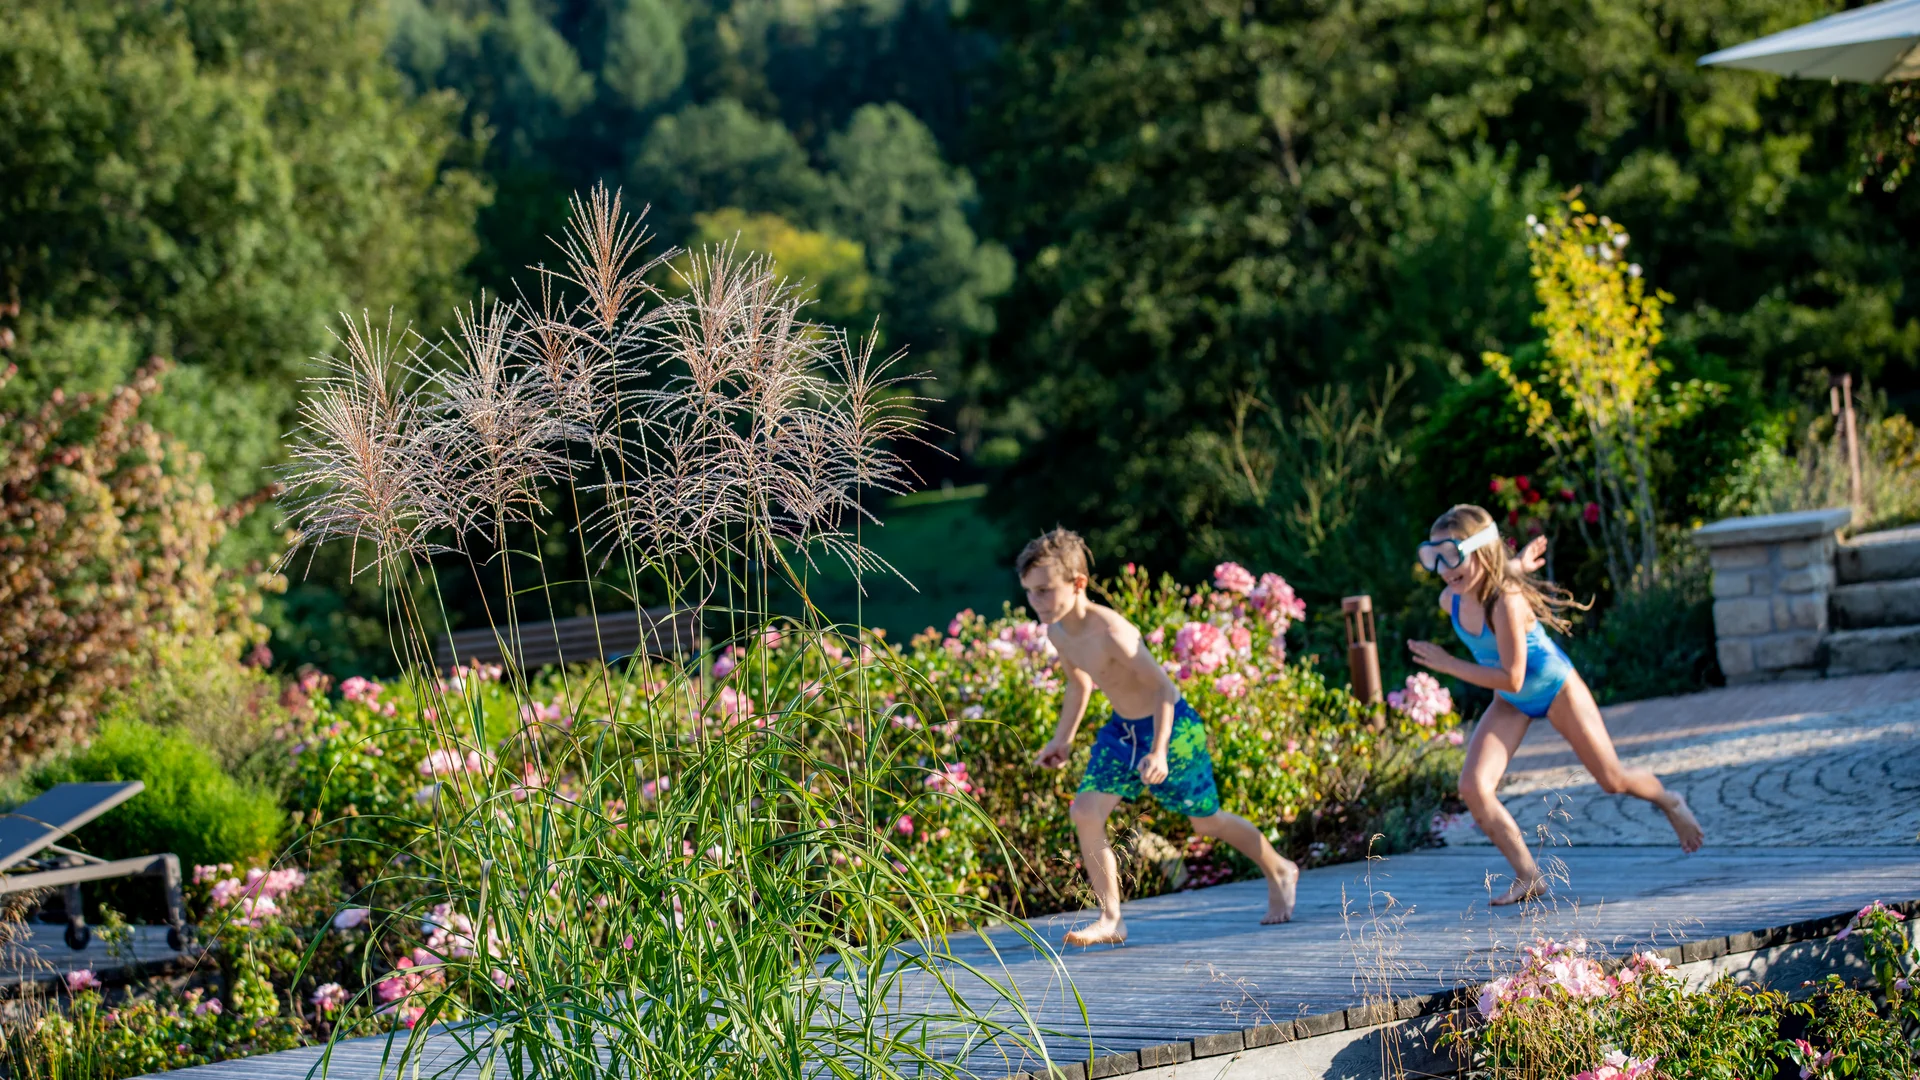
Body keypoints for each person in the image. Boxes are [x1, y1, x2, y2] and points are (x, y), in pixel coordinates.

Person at [1408, 504, 1704, 906]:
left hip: (1555, 688)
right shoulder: (1452, 599)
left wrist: (1448, 663)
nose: (1445, 569)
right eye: (1434, 558)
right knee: (1474, 787)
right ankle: (1528, 876)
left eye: (1453, 556)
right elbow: (1508, 675)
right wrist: (1517, 563)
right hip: (1510, 701)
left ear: (1481, 551)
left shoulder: (1507, 601)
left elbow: (1513, 674)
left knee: (1612, 779)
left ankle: (1670, 800)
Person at [1022, 528, 1299, 946]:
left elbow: (1164, 690)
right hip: (1124, 731)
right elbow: (1079, 685)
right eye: (1029, 592)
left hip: (1172, 729)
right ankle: (1112, 918)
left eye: (1044, 591)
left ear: (1078, 584)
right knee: (1085, 811)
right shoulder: (1059, 631)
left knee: (1205, 823)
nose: (1035, 602)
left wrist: (1159, 751)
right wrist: (1062, 740)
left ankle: (1279, 868)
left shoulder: (1112, 632)